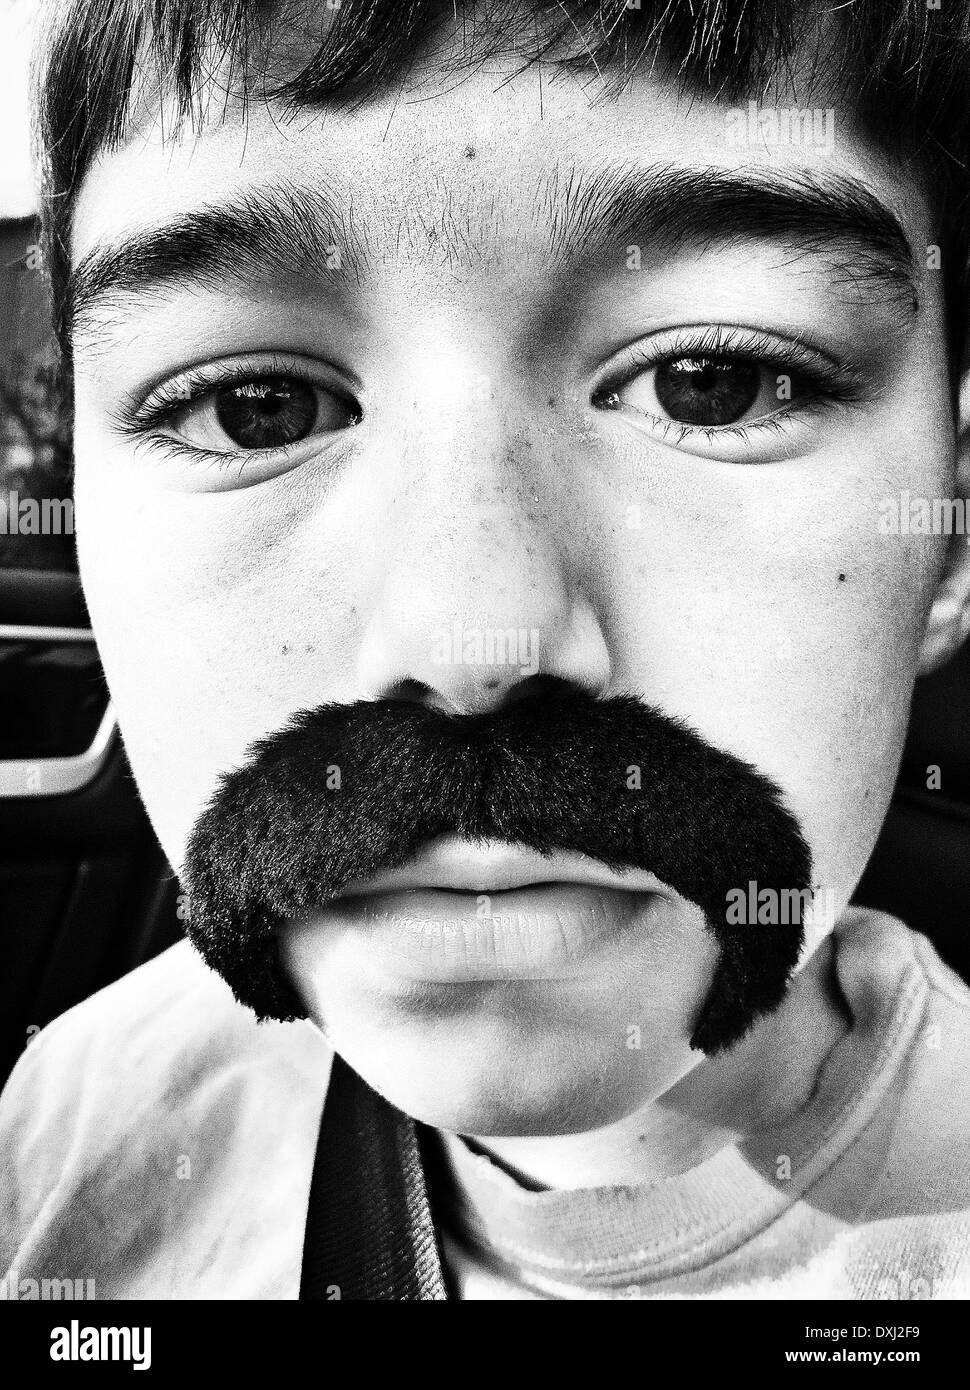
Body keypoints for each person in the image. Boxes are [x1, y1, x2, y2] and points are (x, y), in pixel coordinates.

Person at [2, 0, 970, 1300]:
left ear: (950, 537)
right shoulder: (68, 1118)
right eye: (254, 406)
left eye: (714, 383)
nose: (472, 639)